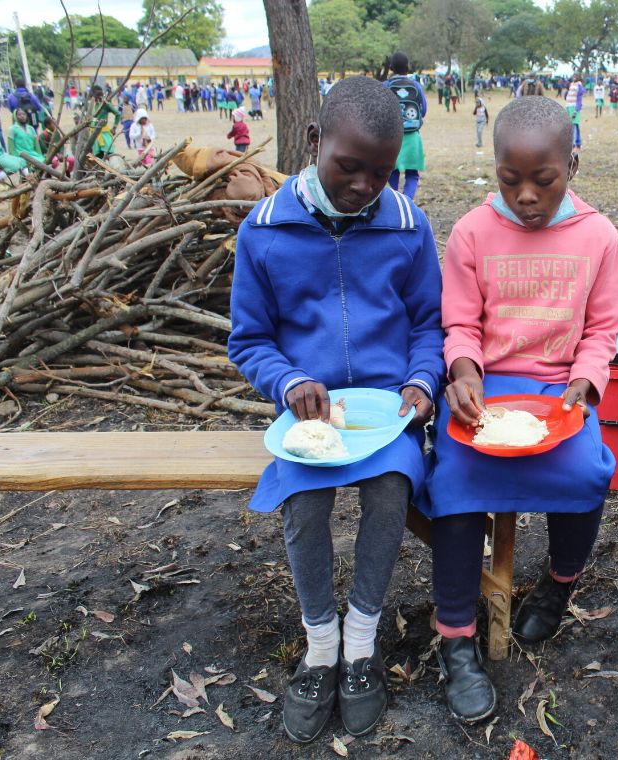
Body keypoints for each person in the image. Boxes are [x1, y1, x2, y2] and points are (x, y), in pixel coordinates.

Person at [228, 76, 443, 745]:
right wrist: (288, 382)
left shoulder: (408, 227)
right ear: (314, 141)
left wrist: (421, 381)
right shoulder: (264, 232)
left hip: (387, 417)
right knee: (305, 507)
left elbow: (429, 327)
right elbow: (249, 339)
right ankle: (320, 645)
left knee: (389, 490)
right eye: (348, 167)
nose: (363, 186)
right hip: (310, 420)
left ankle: (360, 640)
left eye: (380, 173)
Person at [422, 95, 618, 724]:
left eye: (545, 180)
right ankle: (455, 635)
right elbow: (458, 322)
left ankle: (559, 583)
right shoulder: (471, 232)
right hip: (487, 387)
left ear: (573, 164)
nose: (527, 197)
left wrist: (586, 382)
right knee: (454, 481)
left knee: (586, 471)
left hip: (558, 390)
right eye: (510, 182)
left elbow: (603, 327)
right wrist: (462, 371)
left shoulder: (596, 235)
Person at [384, 51, 428, 201]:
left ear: (390, 68)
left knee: (391, 173)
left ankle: (393, 202)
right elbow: (423, 110)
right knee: (412, 175)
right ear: (407, 68)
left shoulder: (386, 86)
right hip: (413, 137)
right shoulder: (415, 85)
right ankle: (407, 202)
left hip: (391, 138)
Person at [87, 85, 121, 159]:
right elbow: (95, 119)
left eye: (98, 95)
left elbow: (118, 114)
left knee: (109, 154)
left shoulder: (105, 104)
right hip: (94, 134)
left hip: (104, 133)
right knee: (98, 157)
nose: (94, 97)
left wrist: (114, 127)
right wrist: (91, 120)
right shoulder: (92, 105)